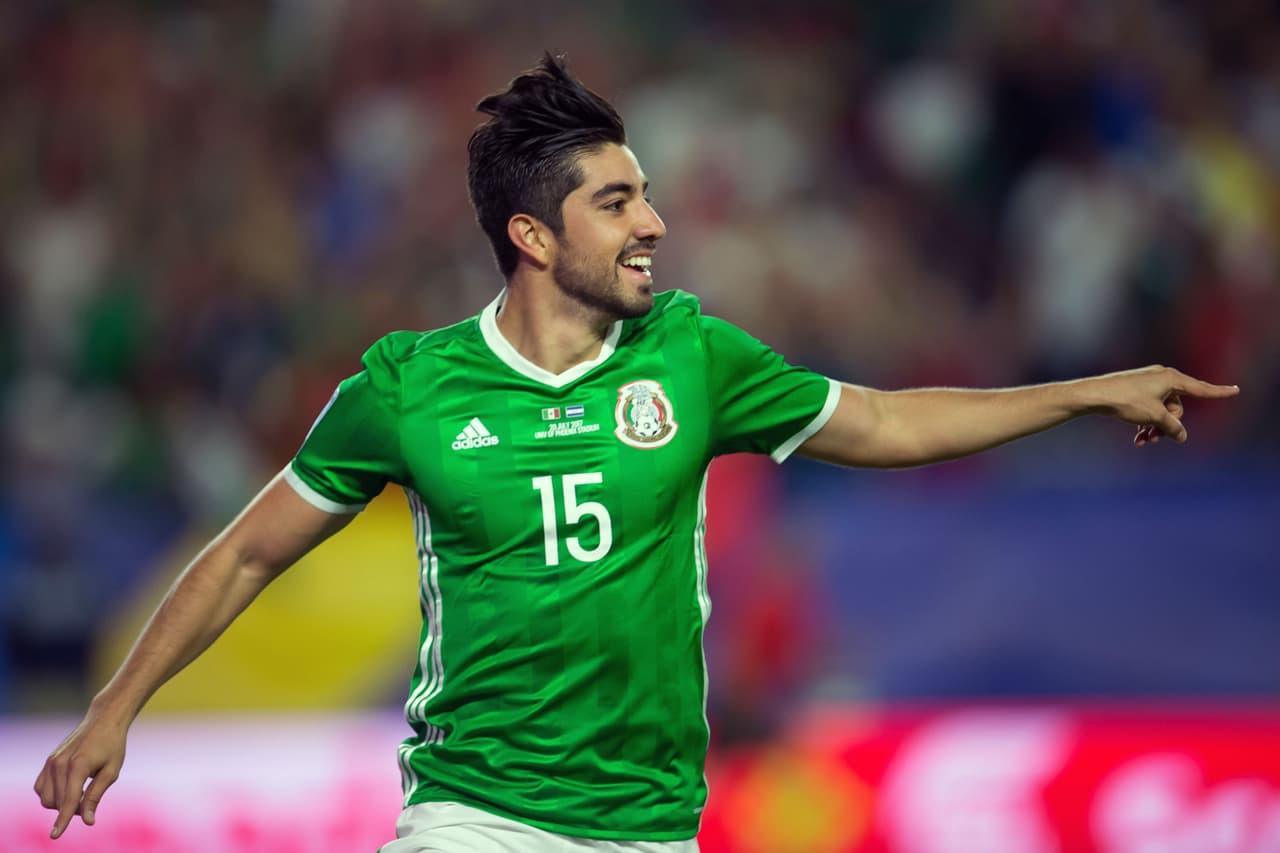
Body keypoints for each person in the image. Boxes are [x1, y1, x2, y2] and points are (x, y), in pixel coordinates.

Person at [34, 52, 1238, 852]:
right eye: (615, 202)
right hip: (477, 815)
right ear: (529, 234)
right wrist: (115, 707)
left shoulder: (691, 356)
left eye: (645, 193)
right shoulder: (406, 388)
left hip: (652, 821)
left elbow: (878, 421)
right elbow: (246, 555)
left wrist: (1083, 390)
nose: (653, 222)